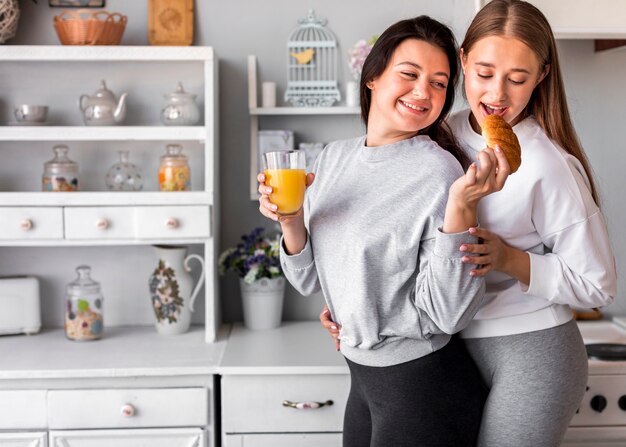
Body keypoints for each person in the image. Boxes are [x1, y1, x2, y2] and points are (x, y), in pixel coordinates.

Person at [321, 1, 618, 446]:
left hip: (531, 348)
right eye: (483, 73)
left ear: (541, 76)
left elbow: (598, 285)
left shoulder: (548, 166)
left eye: (517, 79)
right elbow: (401, 244)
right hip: (451, 347)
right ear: (462, 62)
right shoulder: (439, 134)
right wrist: (357, 304)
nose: (497, 94)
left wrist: (509, 258)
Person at [258, 15, 510, 447]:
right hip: (363, 380)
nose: (423, 92)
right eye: (409, 74)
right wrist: (291, 221)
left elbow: (449, 314)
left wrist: (461, 207)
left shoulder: (439, 172)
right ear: (372, 77)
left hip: (424, 389)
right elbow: (307, 280)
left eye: (438, 82)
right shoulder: (333, 160)